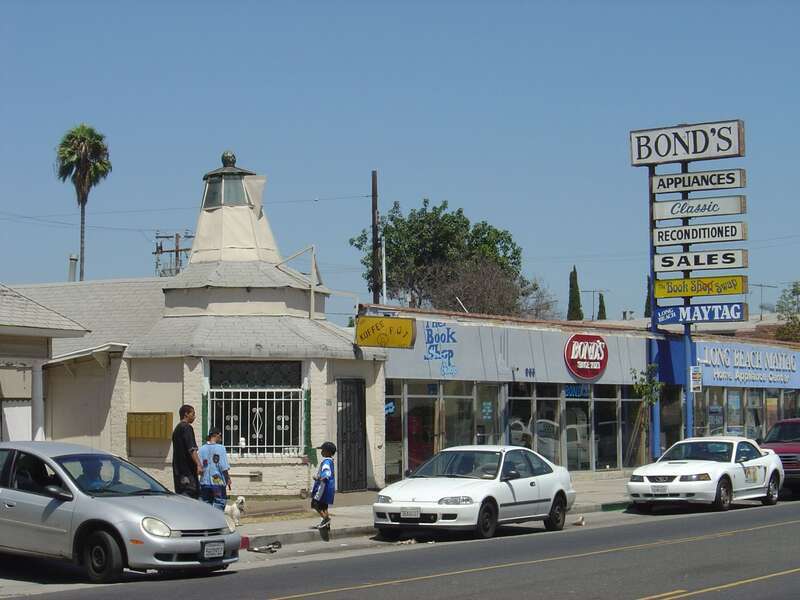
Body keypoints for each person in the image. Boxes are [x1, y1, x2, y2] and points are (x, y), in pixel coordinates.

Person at [172, 404, 202, 498]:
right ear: (186, 414)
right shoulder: (187, 428)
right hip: (188, 473)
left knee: (182, 498)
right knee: (191, 497)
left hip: (178, 472)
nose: (194, 416)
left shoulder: (177, 429)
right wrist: (198, 464)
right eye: (193, 414)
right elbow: (192, 449)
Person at [199, 427, 231, 510]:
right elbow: (223, 466)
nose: (221, 437)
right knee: (219, 502)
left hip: (204, 482)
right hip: (217, 482)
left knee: (206, 505)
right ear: (216, 435)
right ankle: (217, 521)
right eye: (220, 435)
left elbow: (199, 467)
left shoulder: (202, 449)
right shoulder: (221, 448)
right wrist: (227, 479)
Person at [311, 441, 336, 529]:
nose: (321, 452)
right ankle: (326, 525)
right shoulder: (331, 461)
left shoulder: (326, 462)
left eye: (323, 450)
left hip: (323, 487)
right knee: (324, 506)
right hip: (329, 487)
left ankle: (326, 519)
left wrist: (318, 478)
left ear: (328, 452)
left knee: (315, 504)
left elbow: (326, 473)